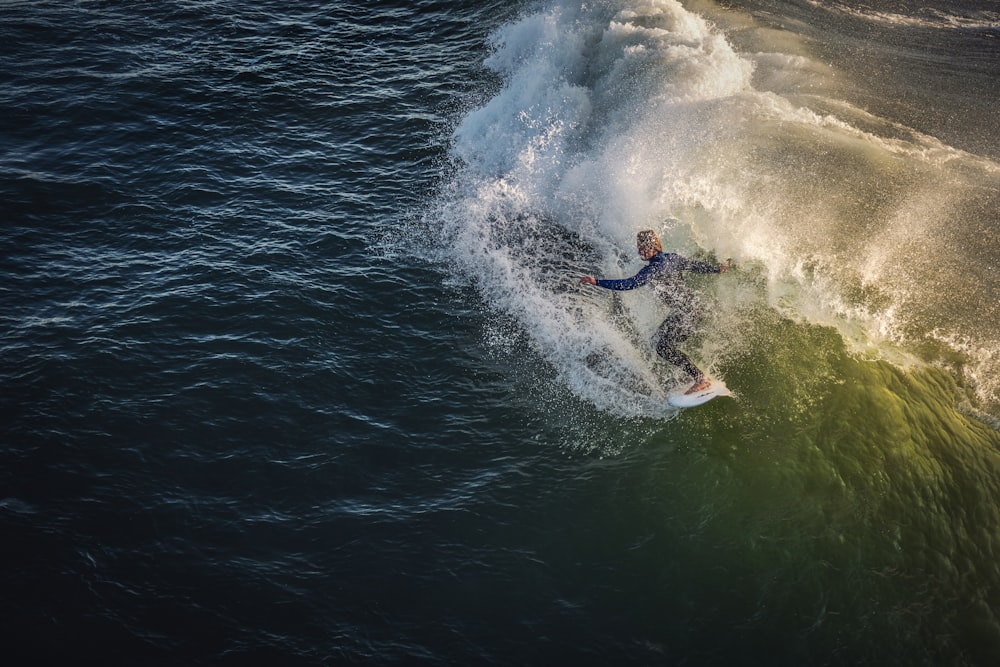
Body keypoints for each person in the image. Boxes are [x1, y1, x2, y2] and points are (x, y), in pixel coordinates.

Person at [579, 230, 730, 394]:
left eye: (642, 248)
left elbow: (628, 284)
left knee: (663, 347)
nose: (639, 251)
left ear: (652, 247)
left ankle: (700, 378)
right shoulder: (672, 258)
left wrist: (597, 282)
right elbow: (696, 266)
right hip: (690, 308)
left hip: (687, 312)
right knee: (659, 342)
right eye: (638, 247)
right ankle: (691, 374)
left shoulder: (652, 270)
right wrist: (717, 269)